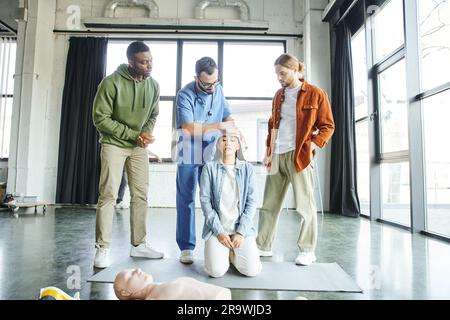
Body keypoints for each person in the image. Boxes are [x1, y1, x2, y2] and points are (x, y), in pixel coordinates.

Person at [256, 53, 335, 266]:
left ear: (295, 70)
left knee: (304, 205)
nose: (279, 78)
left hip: (299, 155)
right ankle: (263, 246)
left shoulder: (316, 94)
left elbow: (328, 126)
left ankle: (308, 250)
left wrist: (312, 147)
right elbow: (273, 125)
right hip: (277, 155)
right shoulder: (278, 96)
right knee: (268, 205)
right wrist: (268, 151)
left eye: (282, 73)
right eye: (277, 74)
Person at [92, 41, 164, 269]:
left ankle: (139, 245)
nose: (149, 65)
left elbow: (153, 114)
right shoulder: (111, 83)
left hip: (137, 147)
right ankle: (102, 248)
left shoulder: (153, 85)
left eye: (151, 60)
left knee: (141, 195)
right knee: (109, 195)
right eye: (144, 62)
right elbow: (100, 118)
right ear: (131, 62)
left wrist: (145, 134)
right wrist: (134, 134)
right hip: (114, 143)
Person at [175, 57, 237, 265]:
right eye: (206, 84)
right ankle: (186, 247)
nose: (211, 88)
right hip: (188, 149)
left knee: (215, 197)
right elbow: (189, 128)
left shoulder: (218, 90)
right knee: (187, 199)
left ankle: (220, 240)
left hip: (212, 151)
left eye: (215, 82)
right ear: (196, 78)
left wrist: (233, 127)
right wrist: (219, 126)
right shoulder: (185, 94)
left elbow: (228, 116)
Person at [200, 133, 261, 278]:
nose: (228, 142)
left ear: (238, 146)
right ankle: (222, 252)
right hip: (217, 230)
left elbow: (252, 203)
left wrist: (240, 233)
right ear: (218, 145)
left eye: (233, 140)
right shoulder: (209, 168)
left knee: (251, 271)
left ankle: (233, 255)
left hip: (241, 230)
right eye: (224, 139)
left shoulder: (248, 169)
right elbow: (205, 202)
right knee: (215, 272)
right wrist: (220, 233)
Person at [113, 268, 232, 300]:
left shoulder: (161, 286)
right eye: (129, 276)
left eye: (132, 269)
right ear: (126, 292)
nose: (137, 270)